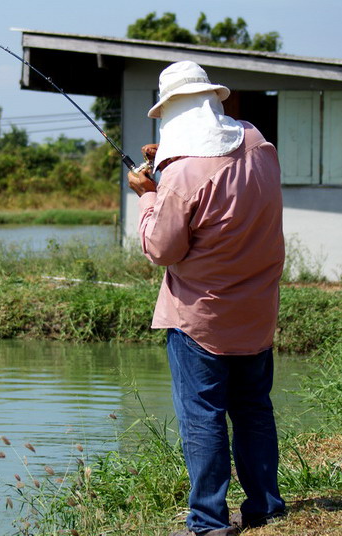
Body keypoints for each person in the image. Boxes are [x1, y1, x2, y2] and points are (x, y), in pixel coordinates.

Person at [126, 61, 286, 536]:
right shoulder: (259, 143)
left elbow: (161, 249)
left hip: (200, 318)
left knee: (203, 417)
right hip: (256, 311)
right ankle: (265, 506)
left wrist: (146, 194)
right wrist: (167, 164)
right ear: (212, 101)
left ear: (171, 111)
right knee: (254, 409)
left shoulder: (180, 177)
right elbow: (222, 176)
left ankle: (209, 522)